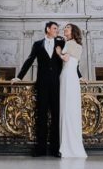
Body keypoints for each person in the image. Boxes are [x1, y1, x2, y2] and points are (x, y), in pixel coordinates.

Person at [11, 21, 65, 157]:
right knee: (41, 116)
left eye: (57, 29)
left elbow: (69, 60)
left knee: (56, 116)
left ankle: (55, 149)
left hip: (57, 84)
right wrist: (19, 77)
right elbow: (29, 60)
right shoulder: (37, 44)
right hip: (41, 84)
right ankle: (40, 149)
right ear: (48, 29)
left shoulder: (61, 44)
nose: (57, 31)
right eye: (54, 28)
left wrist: (79, 76)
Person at [55, 23, 87, 158]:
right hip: (72, 76)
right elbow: (75, 65)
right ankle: (72, 145)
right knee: (71, 109)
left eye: (67, 28)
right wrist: (80, 77)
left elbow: (65, 59)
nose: (64, 29)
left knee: (66, 109)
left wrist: (58, 52)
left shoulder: (69, 43)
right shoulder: (77, 45)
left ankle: (66, 147)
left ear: (72, 31)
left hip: (67, 77)